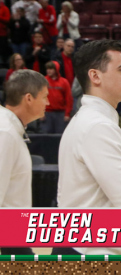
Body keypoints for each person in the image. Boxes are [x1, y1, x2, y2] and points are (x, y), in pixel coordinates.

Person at [55, 40, 121, 255]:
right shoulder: (97, 126)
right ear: (95, 76)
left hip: (81, 246)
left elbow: (93, 200)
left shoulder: (90, 120)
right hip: (87, 253)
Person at [0, 70, 49, 256]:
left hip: (13, 233)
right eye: (44, 97)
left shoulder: (9, 128)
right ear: (29, 98)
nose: (48, 103)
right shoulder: (5, 132)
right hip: (8, 235)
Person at [41, 61, 72, 134]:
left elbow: (69, 99)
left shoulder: (64, 82)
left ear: (56, 70)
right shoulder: (43, 81)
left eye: (51, 68)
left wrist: (67, 114)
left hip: (60, 114)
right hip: (47, 113)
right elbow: (38, 98)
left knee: (59, 136)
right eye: (47, 68)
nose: (48, 70)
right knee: (46, 137)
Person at [0, 0, 10, 65]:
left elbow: (7, 19)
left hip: (3, 34)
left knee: (3, 50)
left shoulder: (5, 8)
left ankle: (3, 64)